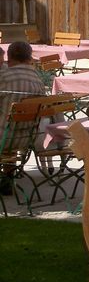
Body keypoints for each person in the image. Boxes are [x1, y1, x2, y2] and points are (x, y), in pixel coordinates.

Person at [0, 41, 45, 195]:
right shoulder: (38, 80)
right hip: (26, 138)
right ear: (29, 58)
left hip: (4, 137)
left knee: (6, 127)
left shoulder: (4, 76)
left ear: (9, 57)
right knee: (9, 128)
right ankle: (7, 178)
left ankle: (6, 178)